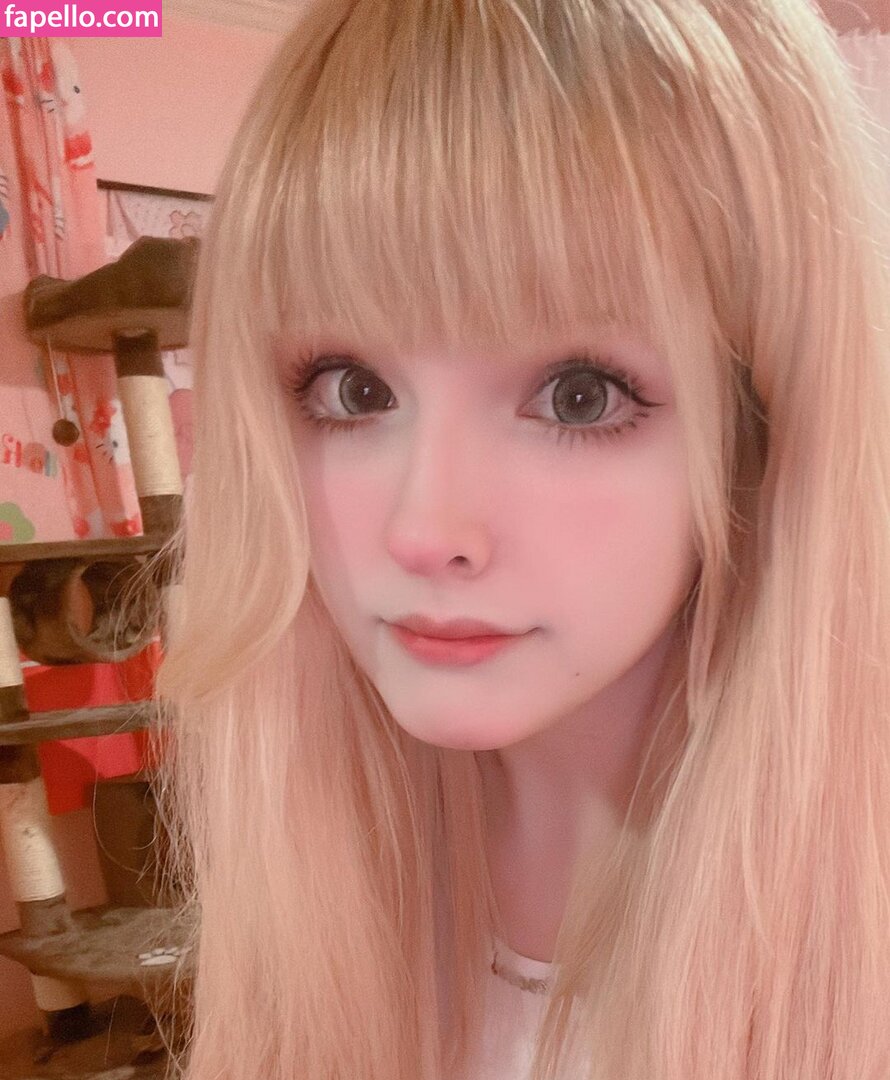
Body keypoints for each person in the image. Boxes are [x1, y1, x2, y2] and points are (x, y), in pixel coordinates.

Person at [152, 1, 890, 1077]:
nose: (424, 531)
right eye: (353, 390)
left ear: (761, 428)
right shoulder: (322, 881)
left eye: (578, 396)